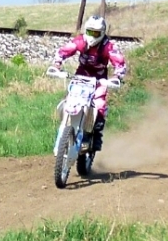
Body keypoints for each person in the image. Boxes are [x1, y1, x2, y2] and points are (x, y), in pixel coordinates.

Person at [50, 14, 127, 151]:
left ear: (102, 33)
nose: (92, 36)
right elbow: (64, 51)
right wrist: (57, 65)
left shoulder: (108, 47)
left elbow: (119, 62)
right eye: (90, 32)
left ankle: (96, 136)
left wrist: (117, 77)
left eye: (95, 33)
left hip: (99, 79)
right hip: (80, 75)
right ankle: (65, 129)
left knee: (100, 105)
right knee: (68, 101)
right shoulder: (81, 41)